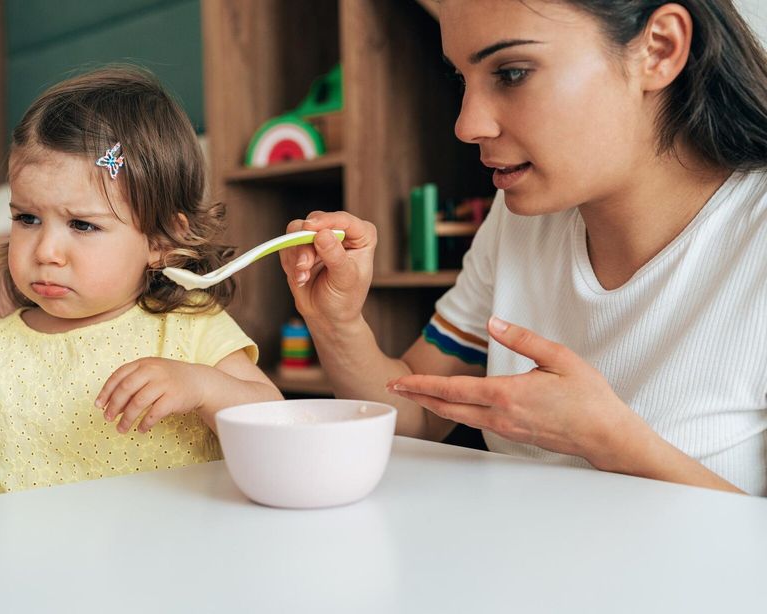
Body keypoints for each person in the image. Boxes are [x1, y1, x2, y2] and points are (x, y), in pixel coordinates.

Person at [281, 0, 767, 495]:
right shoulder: (520, 219)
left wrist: (610, 440)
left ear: (659, 49)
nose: (468, 125)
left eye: (511, 73)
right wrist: (335, 322)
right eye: (461, 79)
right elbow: (412, 418)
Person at [0, 66, 282, 494]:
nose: (45, 252)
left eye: (82, 225)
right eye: (27, 218)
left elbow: (275, 423)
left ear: (162, 242)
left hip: (169, 559)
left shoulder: (190, 329)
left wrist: (203, 387)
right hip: (38, 569)